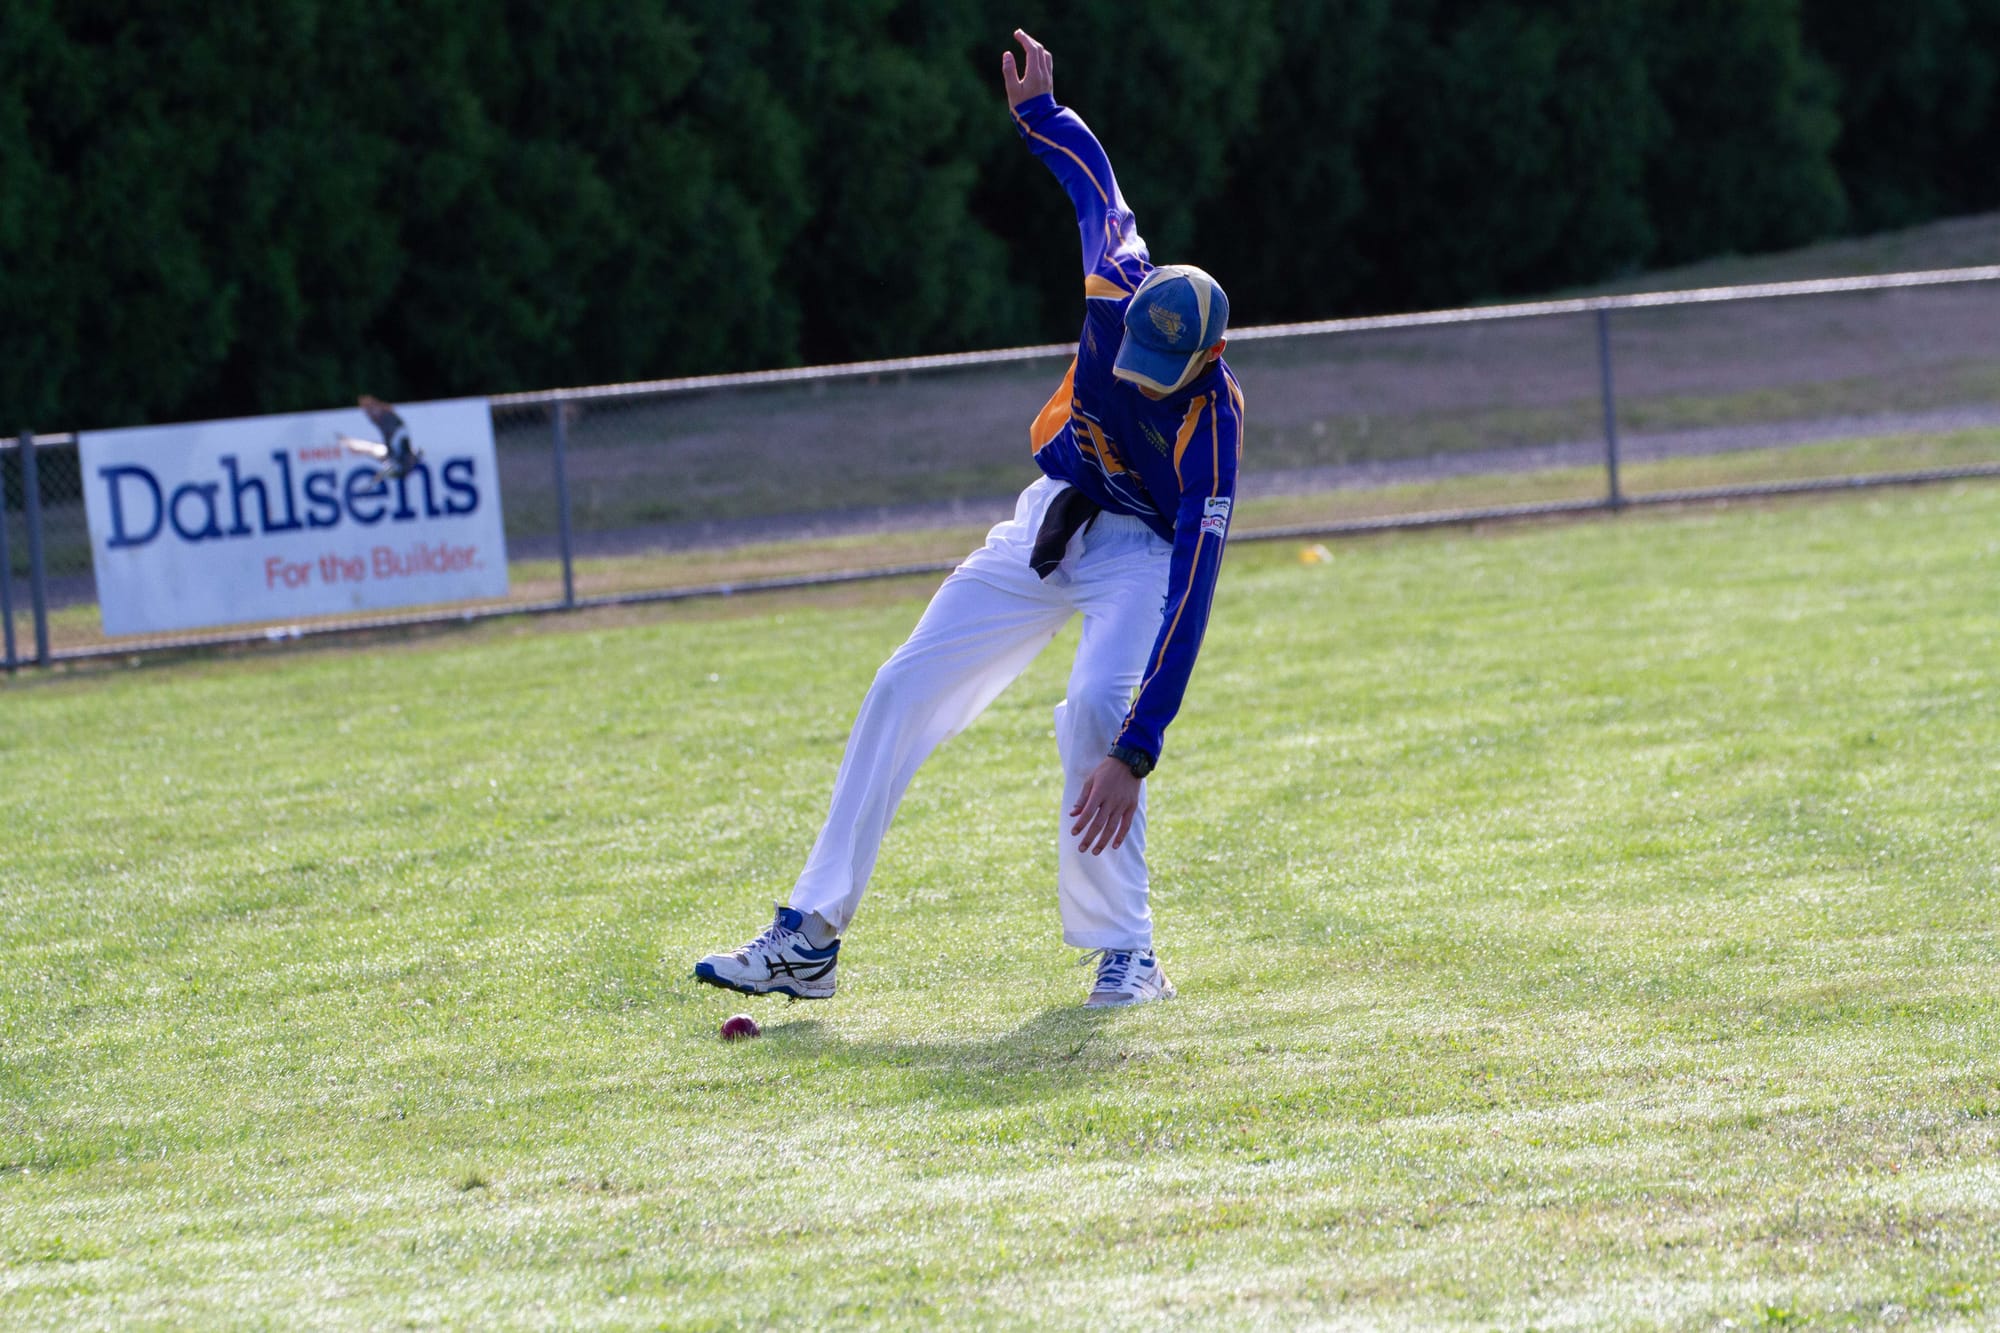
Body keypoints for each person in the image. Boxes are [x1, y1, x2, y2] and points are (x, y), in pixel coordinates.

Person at [694, 29, 1244, 1008]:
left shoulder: (1212, 430)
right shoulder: (1118, 280)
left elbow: (1193, 588)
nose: (1135, 377)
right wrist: (1040, 113)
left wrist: (1135, 750)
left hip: (1141, 557)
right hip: (1054, 518)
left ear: (1203, 361)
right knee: (901, 685)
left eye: (1161, 374)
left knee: (1091, 712)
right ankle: (808, 936)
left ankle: (1127, 952)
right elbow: (1095, 189)